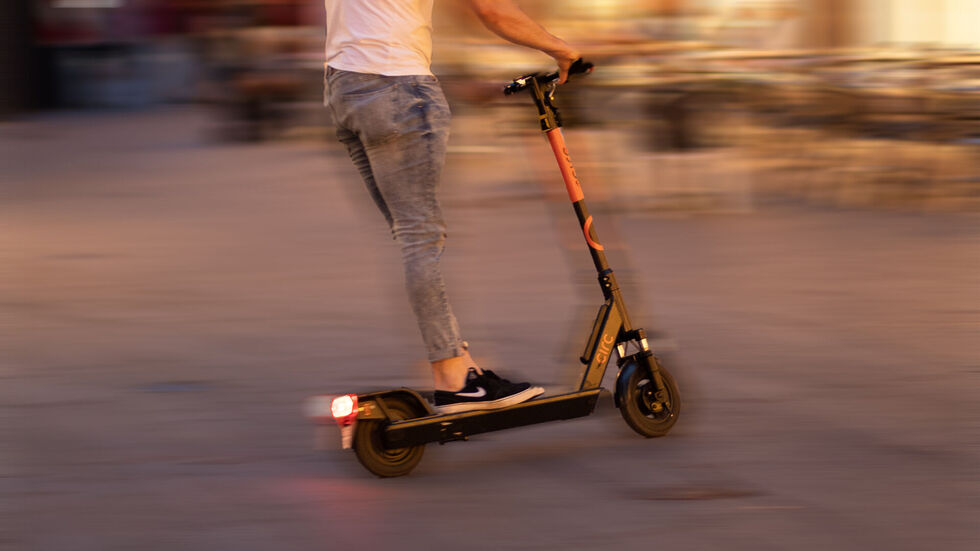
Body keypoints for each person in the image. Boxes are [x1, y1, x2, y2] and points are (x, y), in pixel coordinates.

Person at [324, 0, 579, 413]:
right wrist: (562, 49)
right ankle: (454, 380)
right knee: (420, 237)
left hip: (344, 89)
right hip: (397, 88)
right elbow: (492, 10)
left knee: (411, 237)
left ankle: (461, 364)